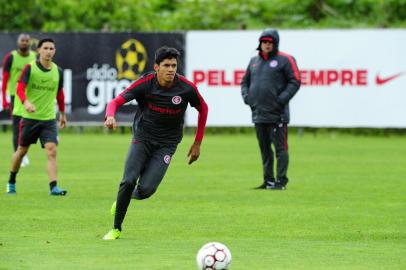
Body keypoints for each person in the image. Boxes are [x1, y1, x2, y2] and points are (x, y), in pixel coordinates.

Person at [103, 46, 208, 240]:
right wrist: (110, 116)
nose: (171, 69)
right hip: (142, 138)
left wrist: (197, 143)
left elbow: (203, 108)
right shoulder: (145, 83)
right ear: (156, 67)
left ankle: (123, 199)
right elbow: (115, 102)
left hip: (167, 144)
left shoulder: (186, 88)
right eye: (166, 65)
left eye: (174, 65)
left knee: (146, 190)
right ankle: (116, 228)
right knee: (128, 180)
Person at [5, 38, 67, 195]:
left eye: (51, 48)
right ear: (39, 50)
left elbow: (59, 94)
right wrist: (26, 103)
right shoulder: (29, 68)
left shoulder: (58, 71)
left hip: (48, 119)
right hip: (30, 119)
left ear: (55, 51)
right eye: (45, 48)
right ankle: (11, 181)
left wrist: (62, 114)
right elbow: (20, 88)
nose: (48, 51)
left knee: (52, 150)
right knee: (21, 151)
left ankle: (53, 187)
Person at [241, 29, 301, 190]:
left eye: (270, 42)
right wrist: (248, 98)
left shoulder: (285, 60)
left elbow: (295, 81)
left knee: (280, 149)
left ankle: (281, 182)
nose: (267, 45)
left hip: (277, 114)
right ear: (260, 43)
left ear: (275, 44)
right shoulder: (254, 61)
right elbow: (244, 82)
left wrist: (280, 100)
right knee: (265, 149)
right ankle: (268, 180)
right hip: (258, 113)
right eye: (264, 42)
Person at [2, 33, 37, 167]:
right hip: (14, 97)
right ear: (18, 42)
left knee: (29, 126)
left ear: (30, 42)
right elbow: (5, 79)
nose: (24, 43)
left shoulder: (34, 57)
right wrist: (4, 99)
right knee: (17, 127)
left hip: (31, 97)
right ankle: (19, 154)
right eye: (22, 40)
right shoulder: (11, 57)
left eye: (27, 41)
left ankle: (24, 152)